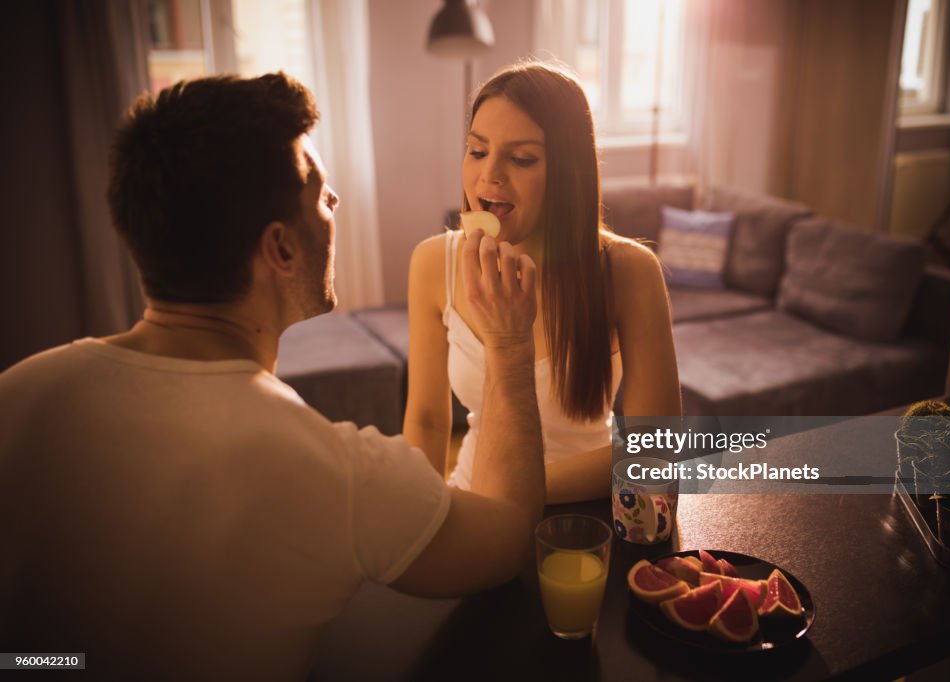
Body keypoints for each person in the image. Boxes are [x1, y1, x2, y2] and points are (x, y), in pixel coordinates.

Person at [0, 73, 543, 682]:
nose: (333, 201)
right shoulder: (335, 472)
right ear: (280, 249)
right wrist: (510, 345)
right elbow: (510, 540)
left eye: (523, 157)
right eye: (317, 189)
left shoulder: (15, 395)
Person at [404, 62, 682, 503]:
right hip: (472, 502)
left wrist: (514, 493)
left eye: (521, 158)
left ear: (568, 174)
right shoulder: (433, 263)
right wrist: (421, 515)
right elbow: (426, 420)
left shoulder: (629, 271)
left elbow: (659, 450)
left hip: (585, 513)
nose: (488, 175)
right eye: (477, 151)